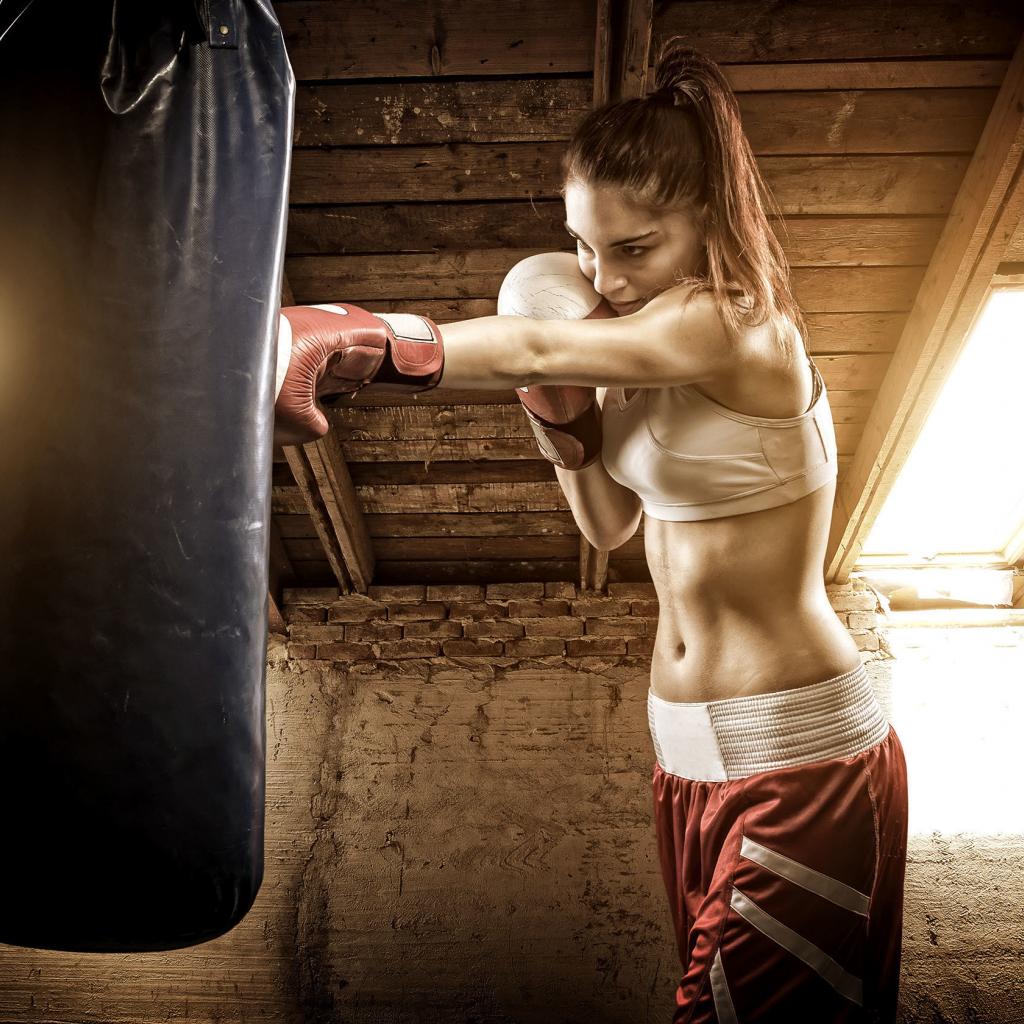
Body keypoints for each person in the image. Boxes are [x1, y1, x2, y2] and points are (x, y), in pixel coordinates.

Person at [273, 38, 908, 1024]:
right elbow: (610, 523)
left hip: (796, 751)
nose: (603, 278)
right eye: (582, 245)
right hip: (685, 757)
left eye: (634, 248)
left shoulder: (738, 326)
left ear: (709, 218)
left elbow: (532, 338)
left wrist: (356, 335)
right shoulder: (632, 343)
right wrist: (559, 414)